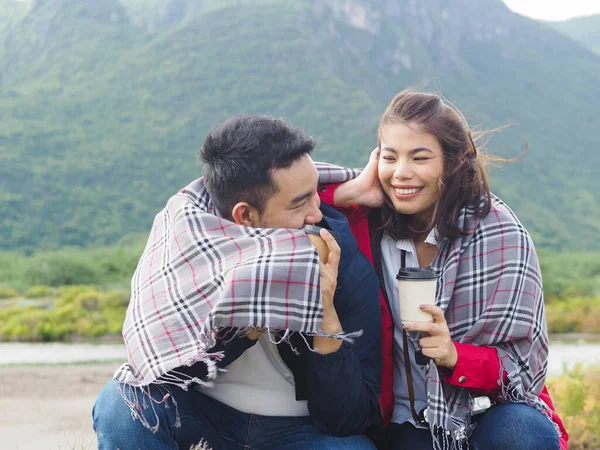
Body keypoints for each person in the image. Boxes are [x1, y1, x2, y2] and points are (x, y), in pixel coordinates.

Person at [92, 116, 384, 450]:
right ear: (244, 216)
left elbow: (347, 418)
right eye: (299, 203)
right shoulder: (186, 249)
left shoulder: (344, 265)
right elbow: (169, 374)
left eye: (316, 194)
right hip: (208, 416)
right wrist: (249, 321)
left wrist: (324, 313)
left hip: (301, 429)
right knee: (120, 403)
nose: (317, 213)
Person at [317, 90, 568, 450]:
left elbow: (522, 367)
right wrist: (349, 192)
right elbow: (282, 211)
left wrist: (454, 355)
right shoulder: (361, 222)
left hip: (483, 413)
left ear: (452, 163)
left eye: (420, 158)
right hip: (399, 420)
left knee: (522, 434)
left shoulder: (499, 233)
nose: (401, 173)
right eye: (390, 157)